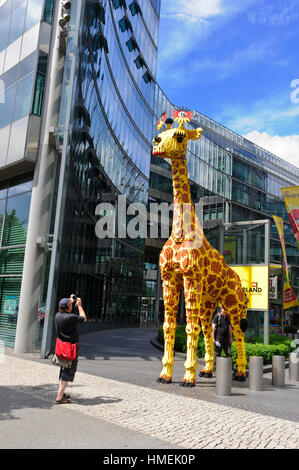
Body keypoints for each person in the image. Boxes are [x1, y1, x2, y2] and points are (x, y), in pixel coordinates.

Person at [54, 294, 86, 404]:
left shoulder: (58, 315)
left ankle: (61, 393)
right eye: (69, 304)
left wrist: (71, 299)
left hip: (61, 346)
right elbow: (83, 318)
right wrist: (80, 306)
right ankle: (59, 397)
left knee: (63, 369)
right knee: (68, 371)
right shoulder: (70, 317)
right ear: (68, 307)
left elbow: (66, 304)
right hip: (70, 348)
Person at [212, 306, 232, 371]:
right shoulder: (217, 316)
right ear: (221, 309)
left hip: (226, 339)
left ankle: (230, 368)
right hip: (219, 339)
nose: (224, 310)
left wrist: (231, 338)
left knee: (229, 353)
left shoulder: (227, 317)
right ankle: (215, 369)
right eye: (223, 308)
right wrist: (213, 339)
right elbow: (213, 328)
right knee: (217, 354)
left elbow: (229, 328)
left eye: (225, 308)